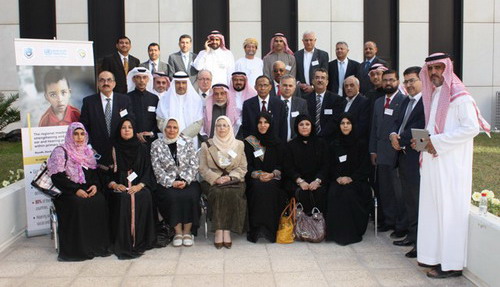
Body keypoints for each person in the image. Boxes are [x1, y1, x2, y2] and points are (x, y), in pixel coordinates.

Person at [414, 53, 490, 278]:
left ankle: (452, 265)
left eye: (439, 67)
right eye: (430, 69)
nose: (434, 72)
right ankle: (435, 258)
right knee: (434, 212)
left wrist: (435, 142)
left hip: (452, 167)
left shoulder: (460, 97)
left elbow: (471, 128)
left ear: (447, 69)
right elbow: (434, 128)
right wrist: (421, 141)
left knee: (449, 213)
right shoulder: (435, 94)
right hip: (434, 165)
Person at [47, 122, 110, 261]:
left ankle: (96, 246)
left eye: (82, 134)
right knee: (78, 204)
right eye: (76, 134)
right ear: (70, 135)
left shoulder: (87, 152)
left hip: (86, 189)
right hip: (67, 193)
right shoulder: (60, 151)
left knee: (99, 200)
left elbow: (94, 175)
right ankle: (79, 248)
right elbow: (57, 178)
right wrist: (76, 190)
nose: (79, 137)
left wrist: (95, 186)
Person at [106, 118, 156, 259]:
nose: (127, 130)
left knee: (143, 195)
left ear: (134, 130)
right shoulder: (113, 148)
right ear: (119, 130)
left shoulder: (141, 147)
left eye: (130, 127)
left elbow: (147, 170)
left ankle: (140, 240)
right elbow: (105, 173)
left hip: (138, 185)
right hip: (118, 186)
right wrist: (115, 185)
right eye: (123, 127)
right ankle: (123, 240)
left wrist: (140, 186)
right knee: (123, 198)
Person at [389, 66, 424, 258]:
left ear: (421, 81)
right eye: (406, 81)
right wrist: (393, 134)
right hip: (402, 157)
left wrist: (399, 139)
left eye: (412, 80)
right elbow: (396, 122)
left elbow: (419, 127)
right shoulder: (405, 101)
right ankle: (411, 236)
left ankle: (420, 243)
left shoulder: (426, 103)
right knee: (408, 200)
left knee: (417, 200)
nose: (409, 84)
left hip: (415, 158)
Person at [199, 116, 248, 249]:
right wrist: (216, 178)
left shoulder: (239, 144)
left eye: (225, 125)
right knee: (219, 192)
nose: (221, 128)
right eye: (218, 125)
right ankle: (219, 231)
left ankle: (225, 230)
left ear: (230, 127)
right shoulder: (207, 145)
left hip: (234, 181)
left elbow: (243, 167)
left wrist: (230, 177)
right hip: (213, 181)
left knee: (231, 193)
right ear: (215, 128)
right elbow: (202, 168)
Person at [151, 118, 201, 247]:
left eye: (175, 127)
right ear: (164, 128)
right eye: (169, 127)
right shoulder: (156, 144)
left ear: (179, 129)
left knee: (191, 195)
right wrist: (171, 182)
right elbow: (157, 168)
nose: (171, 130)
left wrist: (185, 180)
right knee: (172, 196)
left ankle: (187, 231)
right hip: (167, 182)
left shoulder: (187, 141)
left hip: (188, 180)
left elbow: (194, 164)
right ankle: (178, 231)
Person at [369, 70, 407, 237]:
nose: (388, 83)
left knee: (397, 190)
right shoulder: (378, 102)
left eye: (391, 80)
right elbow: (374, 128)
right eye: (385, 80)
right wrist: (373, 150)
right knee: (384, 189)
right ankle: (388, 221)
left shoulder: (404, 101)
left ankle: (400, 225)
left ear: (398, 81)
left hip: (396, 152)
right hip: (381, 152)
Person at [326, 114, 372, 245]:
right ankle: (335, 233)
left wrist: (351, 178)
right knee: (334, 192)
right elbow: (330, 165)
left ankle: (351, 232)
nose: (345, 126)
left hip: (357, 181)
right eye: (342, 123)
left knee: (348, 194)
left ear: (353, 125)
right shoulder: (334, 143)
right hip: (339, 180)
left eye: (348, 123)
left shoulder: (361, 143)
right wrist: (338, 177)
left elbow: (365, 167)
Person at [244, 112, 286, 243]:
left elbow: (282, 165)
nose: (263, 125)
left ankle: (270, 230)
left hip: (273, 178)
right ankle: (256, 230)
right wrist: (258, 175)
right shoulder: (250, 142)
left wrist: (272, 174)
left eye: (266, 122)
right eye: (260, 122)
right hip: (255, 179)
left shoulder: (278, 142)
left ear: (271, 124)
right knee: (257, 188)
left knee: (271, 188)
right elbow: (247, 165)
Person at [80, 71, 134, 167]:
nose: (106, 83)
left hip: (120, 150)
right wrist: (89, 147)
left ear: (114, 83)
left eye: (109, 80)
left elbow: (130, 122)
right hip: (97, 151)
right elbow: (83, 126)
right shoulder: (89, 102)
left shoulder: (124, 100)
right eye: (102, 80)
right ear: (98, 83)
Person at [284, 114, 329, 214]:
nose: (304, 127)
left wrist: (317, 181)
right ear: (297, 127)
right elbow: (288, 167)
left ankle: (318, 225)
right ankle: (303, 226)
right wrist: (300, 181)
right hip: (297, 181)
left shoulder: (321, 143)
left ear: (312, 126)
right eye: (301, 124)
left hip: (317, 180)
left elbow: (326, 165)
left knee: (319, 193)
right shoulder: (291, 145)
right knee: (302, 193)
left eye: (307, 124)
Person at [156, 72, 203, 147]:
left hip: (189, 139)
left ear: (187, 84)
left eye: (183, 83)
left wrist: (183, 136)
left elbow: (198, 123)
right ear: (173, 84)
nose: (181, 86)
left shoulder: (196, 100)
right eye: (178, 83)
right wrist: (173, 134)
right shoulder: (164, 99)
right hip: (169, 139)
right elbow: (160, 120)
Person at [241, 75, 287, 142]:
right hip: (254, 146)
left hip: (275, 145)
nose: (262, 88)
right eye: (260, 85)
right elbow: (246, 128)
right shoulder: (248, 104)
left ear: (270, 87)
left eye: (265, 85)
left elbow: (283, 128)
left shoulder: (279, 104)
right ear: (255, 87)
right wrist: (256, 146)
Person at [305, 68, 345, 142]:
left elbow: (335, 121)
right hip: (310, 140)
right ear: (312, 81)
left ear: (327, 82)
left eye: (323, 78)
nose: (320, 80)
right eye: (317, 78)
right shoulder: (305, 99)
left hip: (329, 140)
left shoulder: (336, 100)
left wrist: (321, 135)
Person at [126, 67, 160, 146]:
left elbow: (158, 119)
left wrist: (152, 132)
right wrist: (135, 134)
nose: (142, 80)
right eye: (138, 77)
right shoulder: (126, 98)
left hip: (151, 140)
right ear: (133, 79)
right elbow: (125, 119)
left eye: (144, 77)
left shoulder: (154, 98)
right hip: (132, 140)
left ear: (148, 80)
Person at [295, 31, 329, 97]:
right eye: (306, 40)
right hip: (301, 92)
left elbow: (325, 73)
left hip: (317, 91)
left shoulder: (323, 55)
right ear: (302, 41)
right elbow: (295, 73)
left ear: (315, 40)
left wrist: (313, 87)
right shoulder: (297, 55)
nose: (308, 42)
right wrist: (299, 84)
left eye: (311, 40)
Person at [279, 74, 309, 141]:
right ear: (280, 87)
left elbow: (304, 124)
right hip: (276, 144)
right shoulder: (273, 102)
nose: (287, 88)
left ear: (295, 88)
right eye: (285, 85)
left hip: (295, 143)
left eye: (290, 86)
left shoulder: (302, 103)